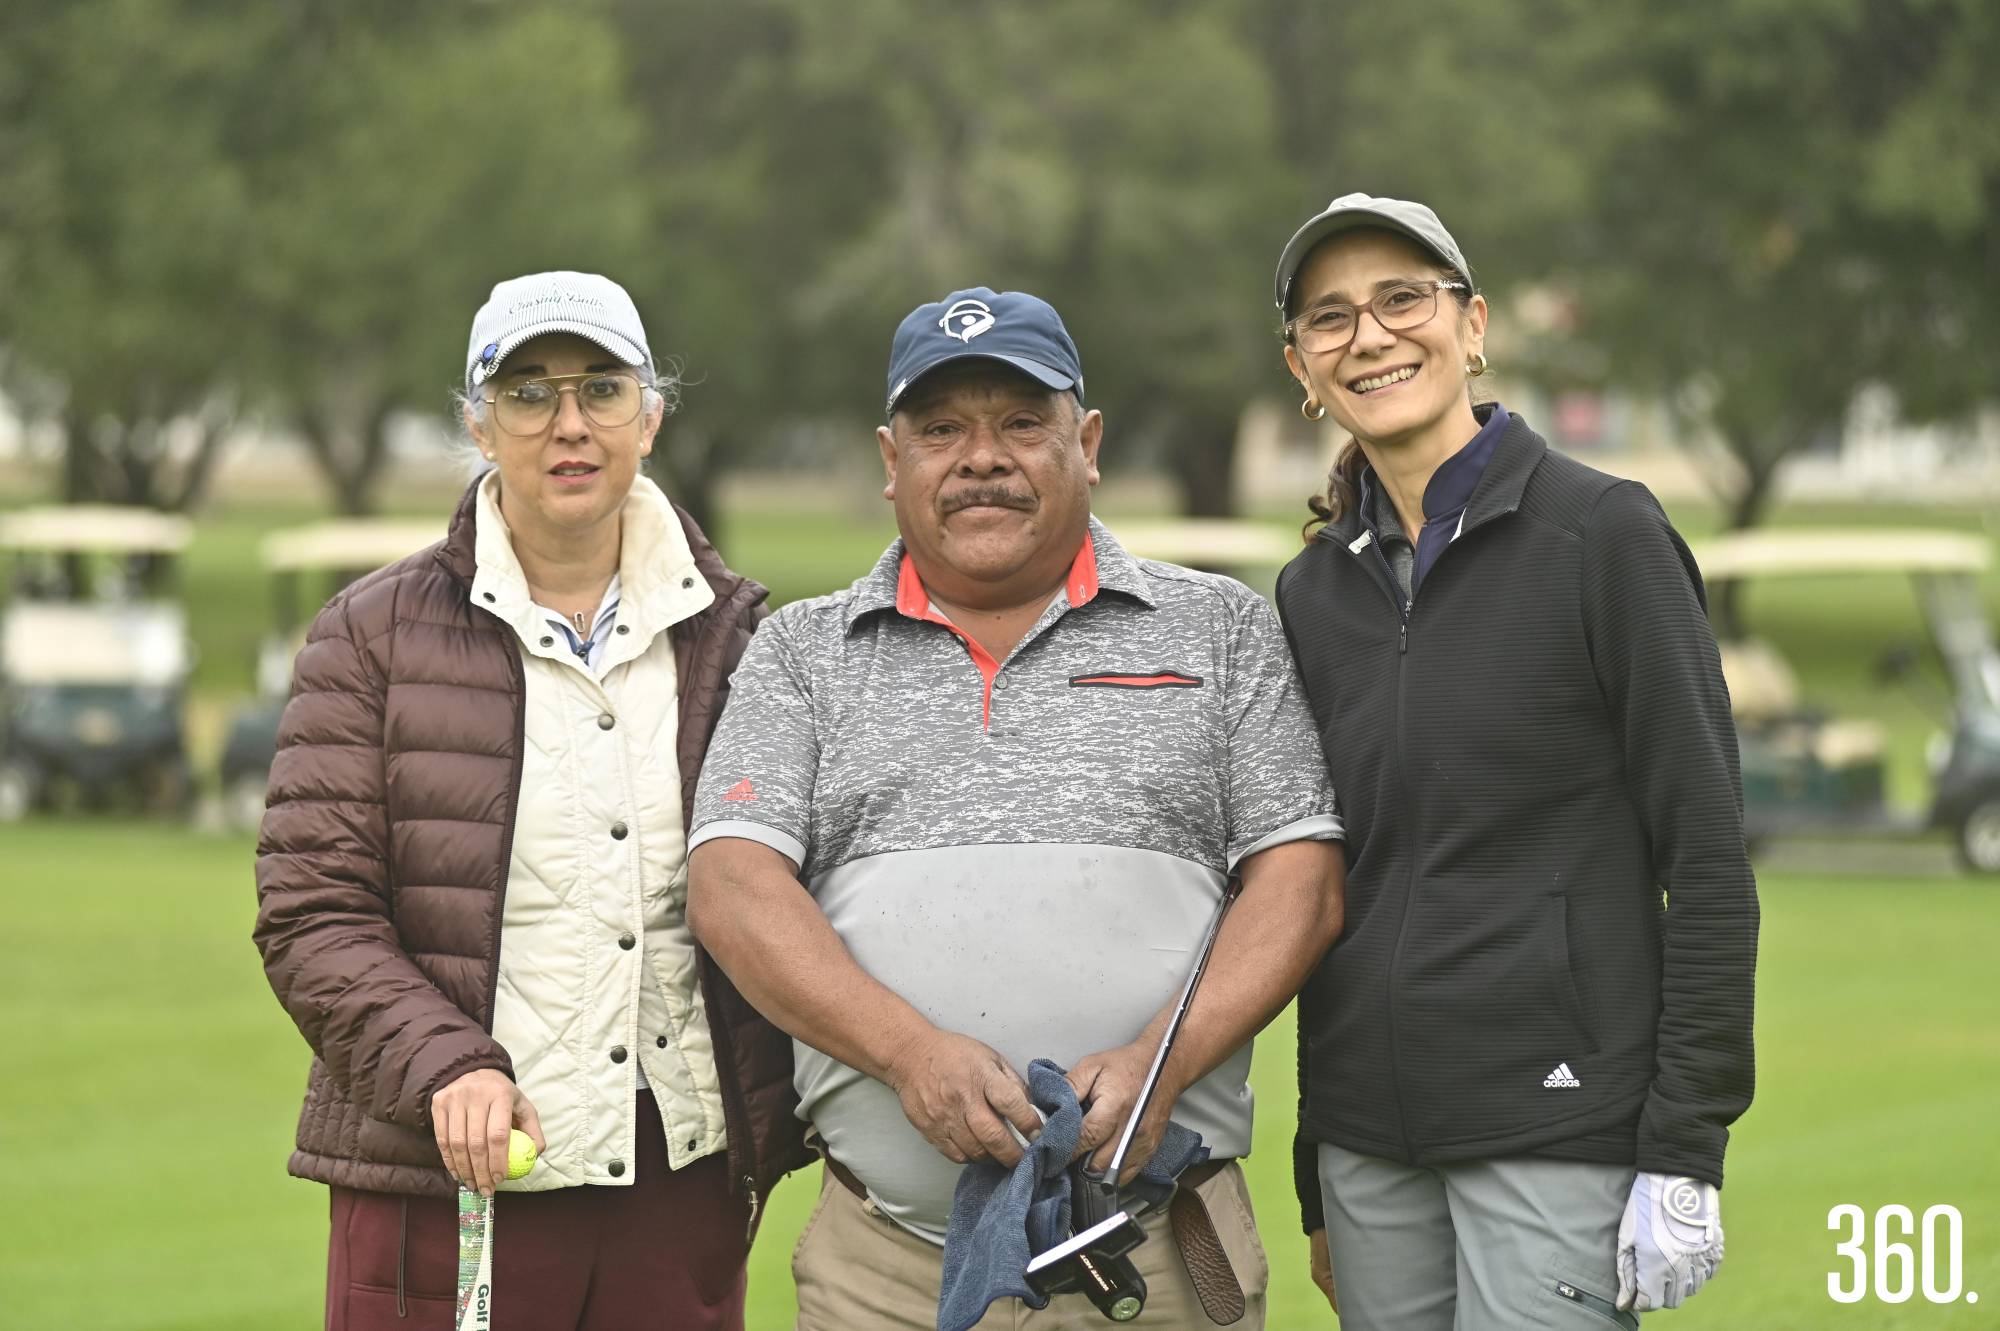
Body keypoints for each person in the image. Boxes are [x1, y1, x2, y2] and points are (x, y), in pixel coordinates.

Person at [686, 286, 1346, 1329]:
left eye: (1020, 424)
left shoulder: (1217, 625)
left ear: (1085, 443)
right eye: (941, 427)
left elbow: (1299, 881)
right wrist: (908, 1051)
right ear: (888, 458)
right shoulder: (800, 652)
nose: (980, 457)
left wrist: (1160, 1063)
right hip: (885, 1272)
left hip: (1157, 1257)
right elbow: (730, 885)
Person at [253, 271, 808, 1331]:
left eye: (601, 389)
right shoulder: (366, 635)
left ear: (649, 416)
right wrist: (443, 1061)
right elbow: (311, 912)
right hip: (440, 1174)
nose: (569, 423)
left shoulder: (744, 641)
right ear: (476, 420)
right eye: (527, 392)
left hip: (675, 1183)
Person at [1269, 194, 1759, 1328]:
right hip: (1365, 1146)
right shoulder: (1311, 592)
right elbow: (1321, 888)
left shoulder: (1603, 536)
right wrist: (1312, 1166)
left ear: (1471, 324)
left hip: (1555, 1124)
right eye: (1330, 318)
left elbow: (1707, 858)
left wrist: (1685, 1143)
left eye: (1401, 299)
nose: (1370, 335)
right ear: (1301, 365)